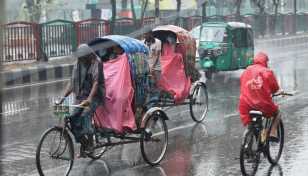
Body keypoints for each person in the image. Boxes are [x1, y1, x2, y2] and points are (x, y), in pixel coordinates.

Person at [61, 44, 106, 156]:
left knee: (85, 115)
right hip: (82, 95)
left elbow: (96, 83)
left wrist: (89, 99)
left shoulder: (97, 62)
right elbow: (72, 83)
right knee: (72, 118)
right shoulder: (78, 64)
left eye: (83, 57)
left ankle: (91, 145)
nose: (82, 60)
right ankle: (84, 142)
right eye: (80, 58)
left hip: (95, 96)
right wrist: (63, 97)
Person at [239, 52, 281, 143]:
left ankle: (248, 155)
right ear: (265, 62)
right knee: (277, 112)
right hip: (262, 105)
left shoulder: (247, 69)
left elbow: (242, 81)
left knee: (250, 128)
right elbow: (275, 88)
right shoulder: (267, 71)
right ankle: (272, 133)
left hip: (245, 105)